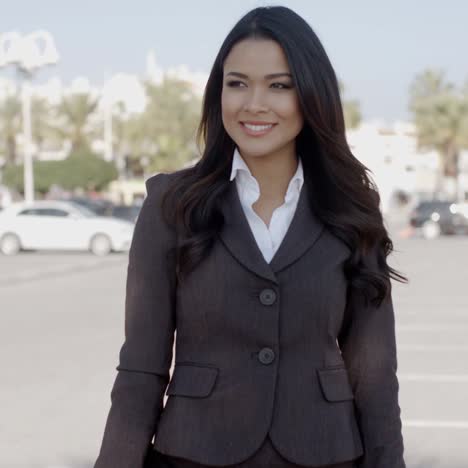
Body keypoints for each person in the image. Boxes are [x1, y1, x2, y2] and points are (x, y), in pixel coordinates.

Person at [94, 5, 407, 468]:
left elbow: (375, 374)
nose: (254, 103)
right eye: (237, 83)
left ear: (311, 96)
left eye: (279, 86)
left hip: (326, 454)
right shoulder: (170, 204)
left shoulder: (352, 208)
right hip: (193, 453)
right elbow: (142, 366)